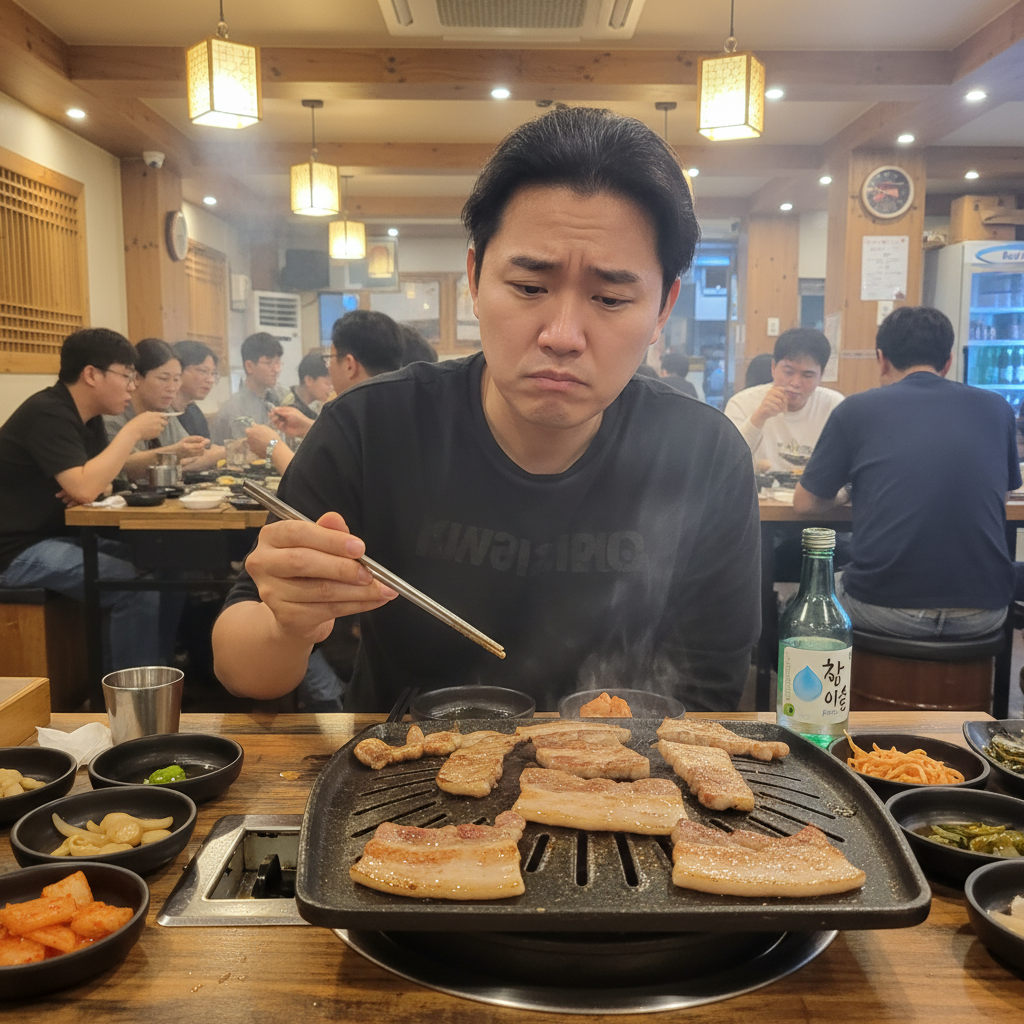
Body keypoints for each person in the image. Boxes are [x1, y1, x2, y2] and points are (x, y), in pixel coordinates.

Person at [212, 105, 761, 714]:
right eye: (529, 288)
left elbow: (709, 690)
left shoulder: (705, 453)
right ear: (475, 277)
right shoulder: (371, 428)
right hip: (401, 778)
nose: (562, 334)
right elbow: (243, 671)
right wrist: (291, 625)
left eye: (610, 297)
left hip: (627, 786)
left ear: (662, 309)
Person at [794, 306, 1019, 639]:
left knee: (799, 608)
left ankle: (839, 691)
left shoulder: (856, 409)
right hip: (985, 608)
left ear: (881, 359)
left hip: (883, 605)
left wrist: (848, 493)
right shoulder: (997, 407)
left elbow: (805, 504)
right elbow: (1002, 497)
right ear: (948, 361)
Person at [0, 328, 168, 669]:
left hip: (57, 536)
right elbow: (86, 488)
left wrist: (89, 482)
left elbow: (102, 482)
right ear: (91, 374)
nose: (132, 387)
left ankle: (153, 671)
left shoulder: (87, 419)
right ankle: (131, 702)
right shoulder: (48, 412)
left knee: (156, 561)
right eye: (126, 376)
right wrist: (132, 431)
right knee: (131, 585)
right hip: (15, 551)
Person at [724, 328, 843, 473]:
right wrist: (759, 416)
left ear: (821, 375)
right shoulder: (742, 403)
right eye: (788, 372)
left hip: (812, 494)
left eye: (807, 375)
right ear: (773, 368)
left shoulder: (834, 406)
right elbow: (727, 462)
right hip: (757, 494)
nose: (795, 383)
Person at [103, 339, 215, 481]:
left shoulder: (165, 411)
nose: (172, 388)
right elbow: (121, 467)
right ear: (136, 377)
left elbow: (189, 456)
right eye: (163, 378)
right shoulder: (113, 413)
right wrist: (174, 453)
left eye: (176, 379)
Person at [209, 333, 286, 446]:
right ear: (249, 366)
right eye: (269, 363)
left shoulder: (275, 398)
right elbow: (249, 454)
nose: (276, 370)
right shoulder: (235, 410)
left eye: (277, 362)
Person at [172, 340, 219, 439]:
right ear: (178, 370)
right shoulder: (163, 412)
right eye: (203, 371)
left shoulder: (194, 412)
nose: (210, 380)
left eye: (213, 373)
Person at [280, 352, 333, 421]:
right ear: (309, 381)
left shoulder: (316, 407)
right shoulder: (288, 407)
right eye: (328, 383)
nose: (331, 389)